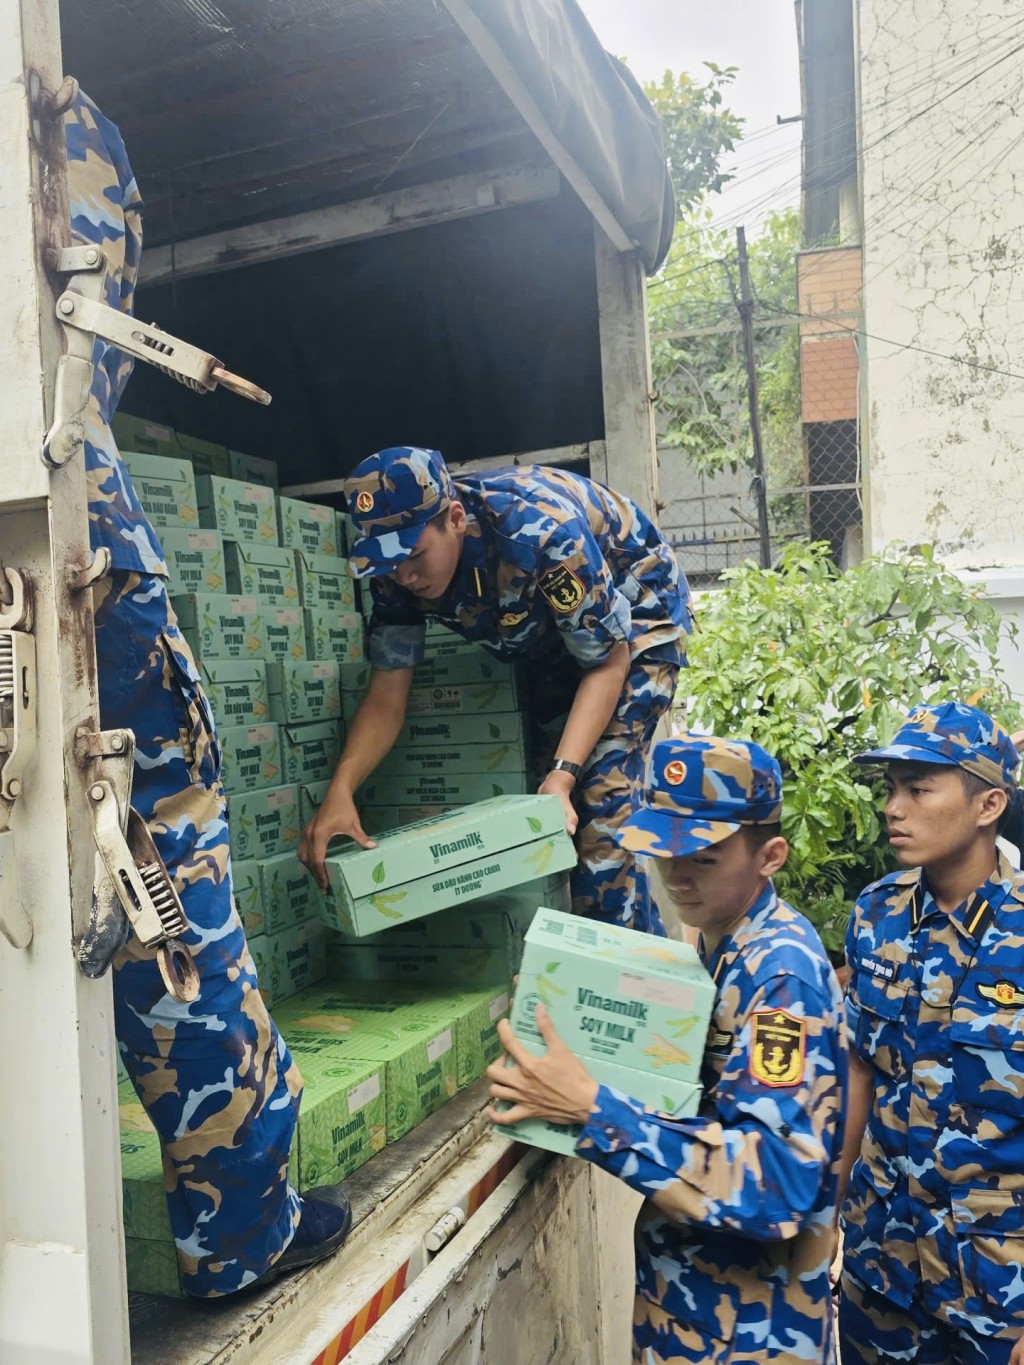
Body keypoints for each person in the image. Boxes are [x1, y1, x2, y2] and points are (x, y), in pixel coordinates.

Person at [66, 90, 350, 1296]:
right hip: (61, 572)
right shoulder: (45, 116)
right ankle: (239, 1234)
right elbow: (76, 316)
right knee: (168, 891)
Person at [486, 735, 848, 1364]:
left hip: (748, 1336)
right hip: (694, 1314)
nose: (676, 876)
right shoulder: (719, 938)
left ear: (770, 856)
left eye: (703, 858)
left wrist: (594, 1110)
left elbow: (779, 1183)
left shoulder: (780, 977)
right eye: (663, 852)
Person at [300, 446, 690, 934]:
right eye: (388, 563)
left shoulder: (540, 533)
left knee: (597, 802)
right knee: (548, 816)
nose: (404, 576)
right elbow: (387, 693)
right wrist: (341, 790)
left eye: (414, 556)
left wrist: (563, 776)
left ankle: (619, 973)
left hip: (637, 624)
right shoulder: (396, 573)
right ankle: (635, 952)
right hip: (558, 640)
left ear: (455, 519)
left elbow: (608, 661)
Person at [837, 701, 1024, 1364]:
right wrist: (828, 1214)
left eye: (918, 789)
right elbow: (860, 1067)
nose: (894, 808)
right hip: (880, 1275)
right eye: (891, 788)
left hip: (998, 1294)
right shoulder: (876, 912)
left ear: (988, 804)